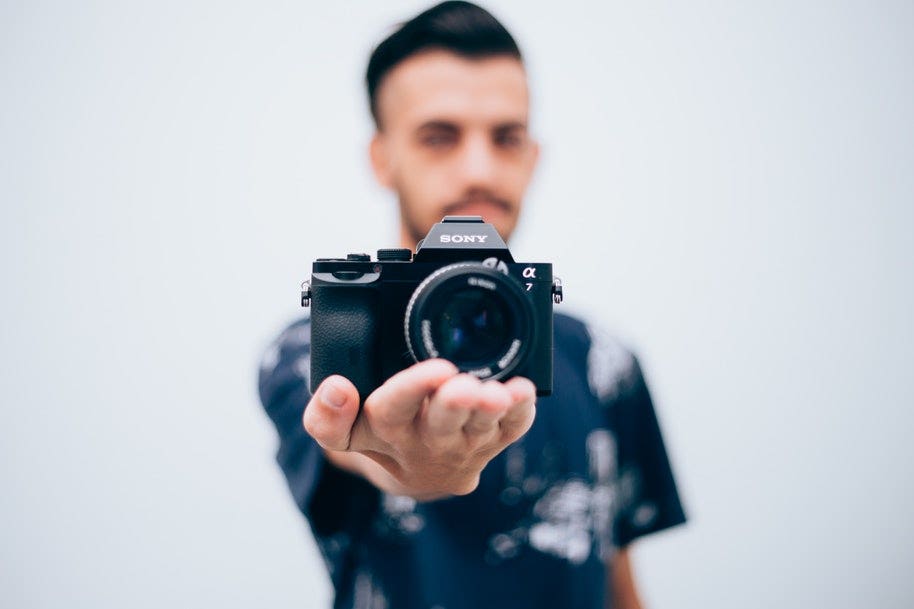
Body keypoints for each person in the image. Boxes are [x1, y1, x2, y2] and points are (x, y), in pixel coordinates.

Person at [258, 2, 686, 608]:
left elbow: (615, 574)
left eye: (507, 138)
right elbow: (354, 447)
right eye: (440, 137)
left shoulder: (601, 359)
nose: (479, 168)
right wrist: (413, 468)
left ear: (533, 156)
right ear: (382, 158)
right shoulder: (311, 345)